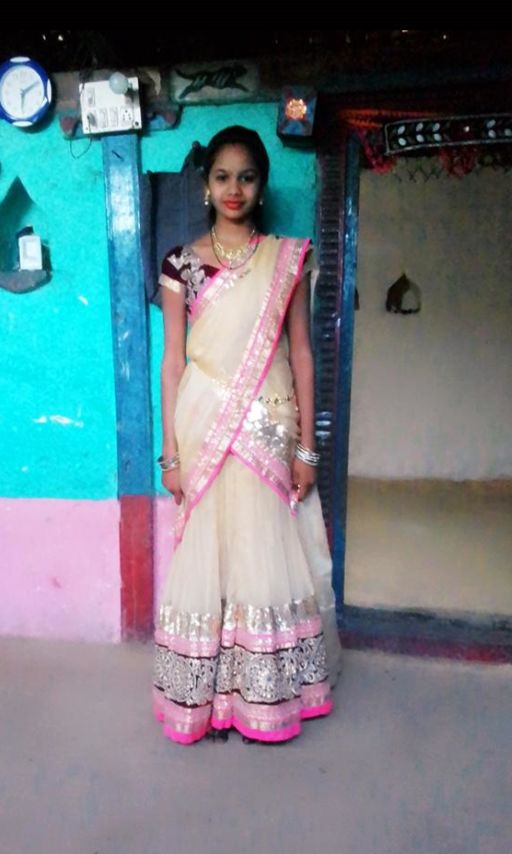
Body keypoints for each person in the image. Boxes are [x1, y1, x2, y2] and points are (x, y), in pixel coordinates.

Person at [153, 125, 341, 745]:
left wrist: (307, 447)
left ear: (261, 187)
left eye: (247, 177)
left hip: (268, 424)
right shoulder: (180, 264)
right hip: (203, 427)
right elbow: (173, 362)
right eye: (222, 176)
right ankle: (204, 701)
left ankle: (263, 698)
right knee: (210, 559)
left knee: (263, 557)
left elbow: (302, 353)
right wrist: (170, 454)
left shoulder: (286, 259)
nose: (234, 188)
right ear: (205, 186)